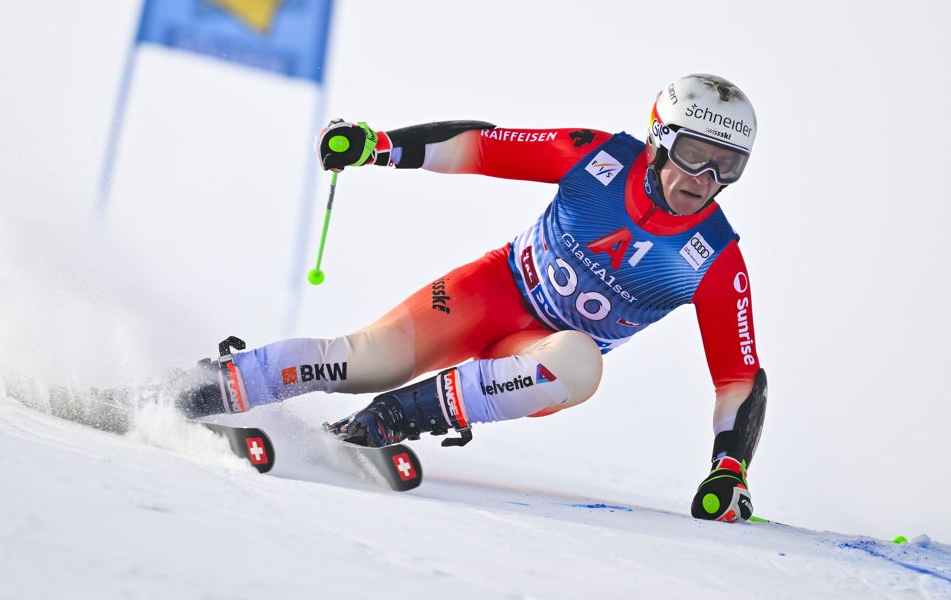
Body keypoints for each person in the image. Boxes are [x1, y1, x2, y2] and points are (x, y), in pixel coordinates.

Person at [181, 73, 767, 523]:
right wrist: (377, 146)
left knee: (580, 364)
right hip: (488, 293)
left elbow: (739, 378)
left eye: (728, 165)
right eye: (694, 153)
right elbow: (481, 146)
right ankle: (203, 386)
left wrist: (729, 470)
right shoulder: (598, 157)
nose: (705, 178)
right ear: (659, 140)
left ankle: (384, 422)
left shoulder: (715, 257)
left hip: (532, 355)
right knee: (362, 360)